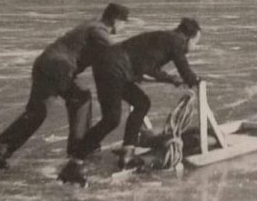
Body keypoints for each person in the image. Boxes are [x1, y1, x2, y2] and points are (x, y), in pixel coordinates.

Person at [0, 3, 129, 177]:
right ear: (116, 20)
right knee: (81, 98)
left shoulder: (91, 26)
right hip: (59, 67)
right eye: (125, 22)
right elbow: (118, 55)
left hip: (44, 64)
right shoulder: (99, 30)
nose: (125, 27)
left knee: (36, 113)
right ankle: (79, 149)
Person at [70, 18, 202, 173]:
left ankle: (127, 150)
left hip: (111, 65)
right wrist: (196, 80)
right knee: (112, 119)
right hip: (113, 68)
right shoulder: (176, 42)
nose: (195, 46)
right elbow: (186, 72)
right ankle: (76, 158)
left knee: (141, 103)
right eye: (196, 42)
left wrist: (171, 79)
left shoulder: (165, 38)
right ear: (188, 37)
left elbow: (147, 68)